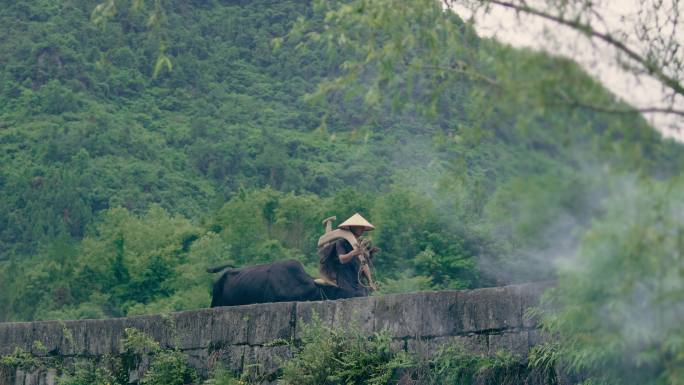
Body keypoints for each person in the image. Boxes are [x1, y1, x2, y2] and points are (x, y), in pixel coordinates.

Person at [318, 213, 379, 297]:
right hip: (345, 283)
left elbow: (364, 264)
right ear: (352, 227)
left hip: (358, 284)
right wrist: (354, 252)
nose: (362, 229)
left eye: (363, 227)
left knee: (364, 295)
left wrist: (370, 281)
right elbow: (342, 259)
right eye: (359, 227)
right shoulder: (341, 243)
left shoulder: (360, 244)